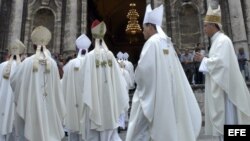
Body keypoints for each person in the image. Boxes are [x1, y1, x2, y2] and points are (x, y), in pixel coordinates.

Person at [126, 4, 201, 141]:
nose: (142, 32)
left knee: (139, 130)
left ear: (150, 26)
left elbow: (143, 71)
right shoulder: (167, 43)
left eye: (144, 28)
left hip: (154, 93)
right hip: (168, 91)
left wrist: (136, 76)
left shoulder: (151, 43)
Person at [194, 5, 250, 141]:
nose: (204, 29)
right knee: (225, 122)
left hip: (226, 92)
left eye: (206, 26)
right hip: (221, 88)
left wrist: (203, 60)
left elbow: (221, 64)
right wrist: (206, 61)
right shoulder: (217, 42)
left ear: (213, 25)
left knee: (229, 121)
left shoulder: (223, 41)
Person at [10, 26, 66, 141]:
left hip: (31, 107)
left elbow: (14, 81)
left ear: (33, 45)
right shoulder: (53, 64)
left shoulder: (26, 63)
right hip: (49, 107)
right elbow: (57, 89)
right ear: (46, 45)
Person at [79, 20, 129, 141]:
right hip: (110, 102)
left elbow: (82, 80)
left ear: (93, 37)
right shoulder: (110, 55)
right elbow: (119, 80)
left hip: (94, 101)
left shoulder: (89, 57)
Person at [62, 34, 91, 141]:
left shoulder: (70, 64)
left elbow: (64, 85)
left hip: (73, 104)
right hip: (88, 104)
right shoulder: (92, 62)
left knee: (73, 134)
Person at [0, 39, 26, 141]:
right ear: (22, 53)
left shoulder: (1, 66)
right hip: (17, 104)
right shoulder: (23, 67)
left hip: (2, 101)